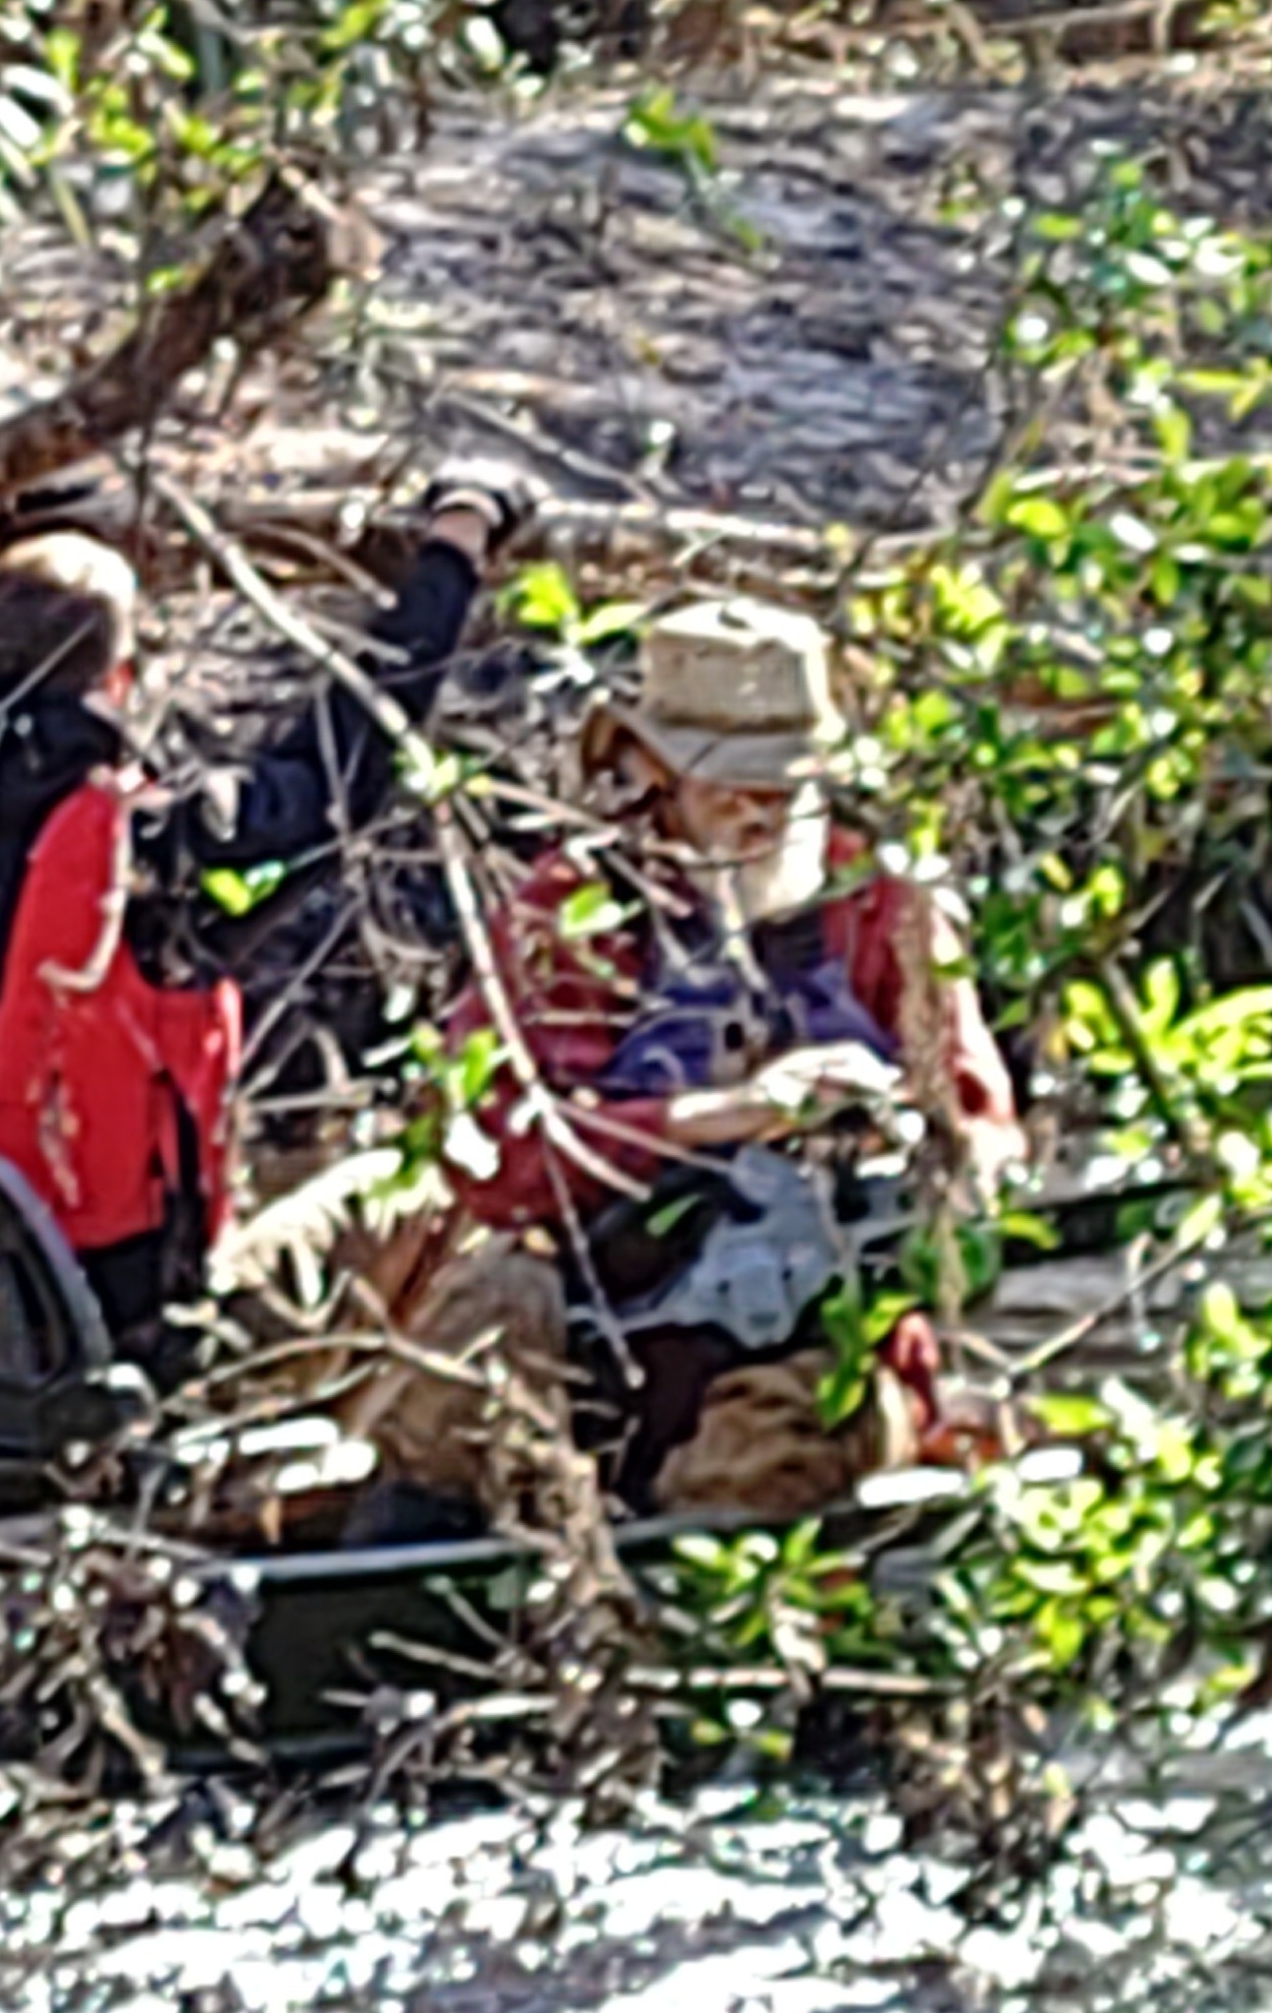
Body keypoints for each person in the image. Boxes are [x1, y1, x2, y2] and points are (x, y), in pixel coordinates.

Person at [0, 469, 524, 1373]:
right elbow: (351, 751)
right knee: (388, 1191)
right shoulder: (156, 850)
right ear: (120, 679)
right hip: (90, 1313)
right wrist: (457, 546)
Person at [379, 593, 1024, 1517]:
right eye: (727, 780)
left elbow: (981, 1126)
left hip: (810, 1340)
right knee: (470, 1349)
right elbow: (494, 1151)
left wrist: (929, 1155)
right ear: (651, 768)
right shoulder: (573, 913)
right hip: (597, 1319)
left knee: (773, 1464)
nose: (758, 809)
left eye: (784, 783)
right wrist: (726, 1115)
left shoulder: (888, 913)